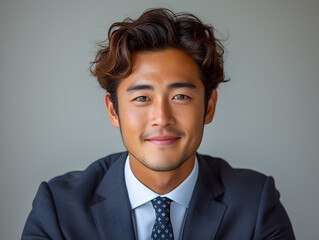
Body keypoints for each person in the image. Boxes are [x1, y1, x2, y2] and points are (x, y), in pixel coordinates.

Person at [22, 8, 295, 240]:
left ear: (209, 106)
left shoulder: (256, 203)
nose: (162, 118)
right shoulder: (57, 208)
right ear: (113, 110)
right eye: (142, 98)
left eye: (180, 96)